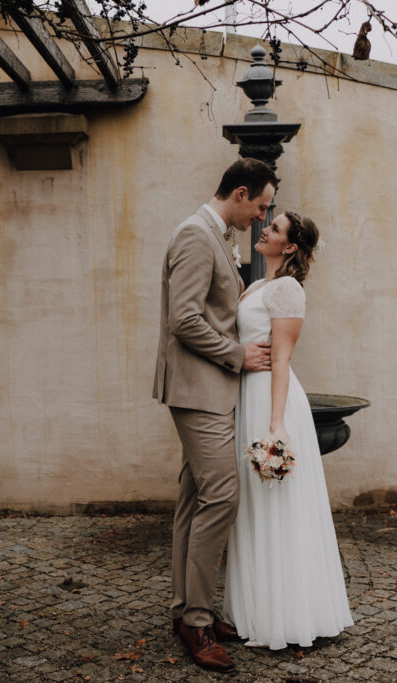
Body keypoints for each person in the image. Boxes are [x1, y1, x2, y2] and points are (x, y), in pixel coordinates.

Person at [152, 158, 278, 672]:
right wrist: (237, 355)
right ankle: (198, 623)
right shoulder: (196, 236)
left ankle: (186, 609)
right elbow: (184, 319)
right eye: (261, 206)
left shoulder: (215, 233)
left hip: (209, 390)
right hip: (199, 389)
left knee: (194, 499)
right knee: (222, 495)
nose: (262, 217)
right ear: (241, 192)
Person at [224, 210, 354, 649]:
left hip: (271, 400)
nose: (265, 229)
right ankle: (256, 608)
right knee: (254, 508)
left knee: (277, 506)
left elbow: (281, 358)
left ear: (291, 246)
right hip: (249, 396)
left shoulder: (288, 289)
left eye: (275, 228)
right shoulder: (259, 285)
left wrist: (276, 425)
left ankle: (289, 614)